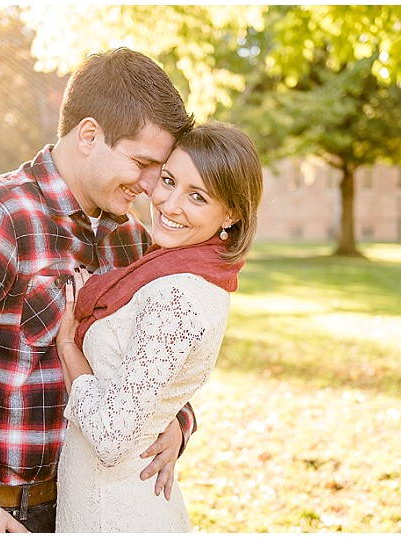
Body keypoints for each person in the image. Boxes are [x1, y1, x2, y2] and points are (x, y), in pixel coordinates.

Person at [0, 48, 196, 533]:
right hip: (1, 512)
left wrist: (178, 420)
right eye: (142, 163)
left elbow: (151, 359)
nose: (153, 187)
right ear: (89, 135)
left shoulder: (133, 238)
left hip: (90, 506)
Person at [54, 122, 264, 532]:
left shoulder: (177, 295)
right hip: (110, 500)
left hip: (112, 512)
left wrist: (67, 347)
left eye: (197, 196)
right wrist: (174, 422)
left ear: (232, 214)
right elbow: (149, 385)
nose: (168, 204)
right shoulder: (181, 269)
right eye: (168, 180)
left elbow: (110, 437)